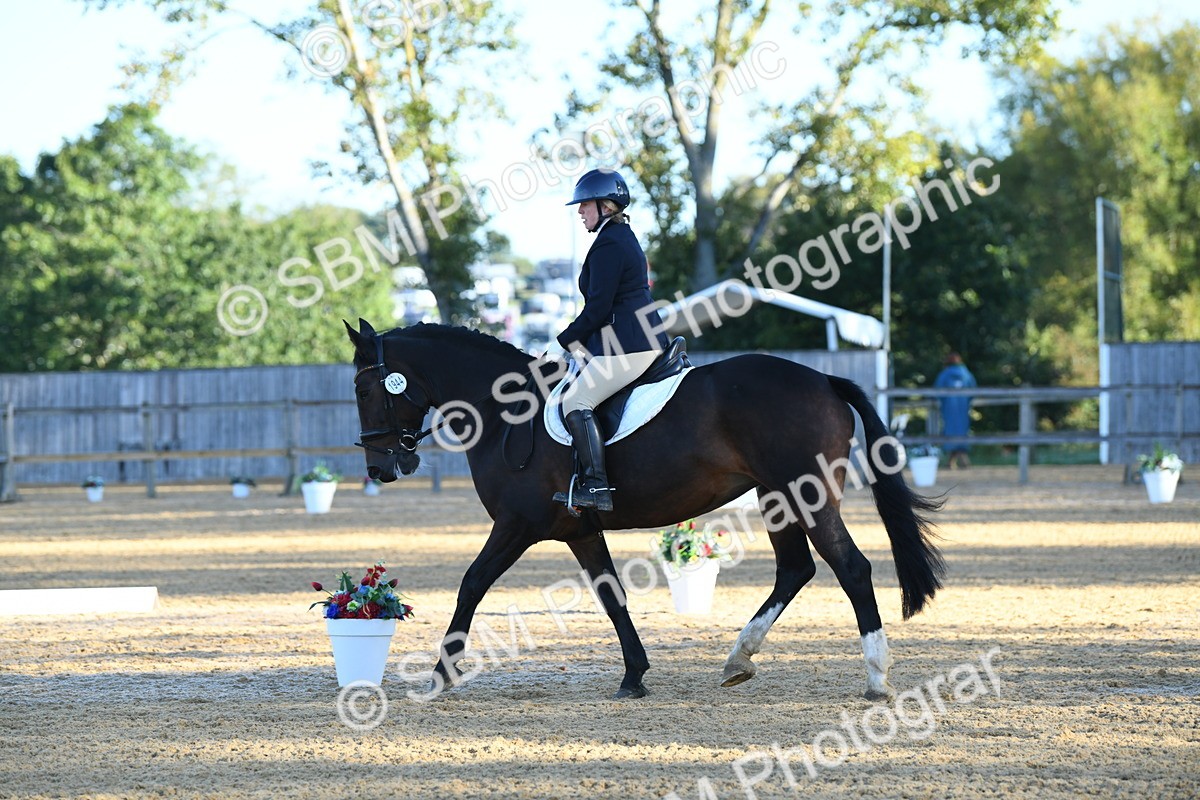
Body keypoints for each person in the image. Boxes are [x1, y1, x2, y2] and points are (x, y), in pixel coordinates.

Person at [551, 167, 669, 512]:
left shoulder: (610, 244)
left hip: (632, 343)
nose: (580, 211)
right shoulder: (619, 238)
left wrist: (562, 341)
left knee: (576, 402)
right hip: (628, 339)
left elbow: (599, 308)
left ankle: (596, 487)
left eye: (585, 204)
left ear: (606, 205)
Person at [934, 352, 977, 468]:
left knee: (950, 431)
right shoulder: (966, 374)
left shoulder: (944, 374)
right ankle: (960, 459)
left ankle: (954, 461)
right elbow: (973, 389)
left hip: (948, 408)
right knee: (962, 431)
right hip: (963, 407)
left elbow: (937, 390)